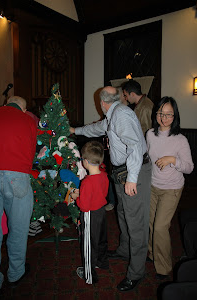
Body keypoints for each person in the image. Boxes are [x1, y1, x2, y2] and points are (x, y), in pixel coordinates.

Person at [70, 86, 152, 292]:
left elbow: (134, 145)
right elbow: (97, 128)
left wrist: (132, 178)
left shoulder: (121, 115)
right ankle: (125, 250)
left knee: (136, 223)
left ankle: (136, 273)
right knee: (123, 215)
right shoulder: (114, 114)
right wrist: (75, 131)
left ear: (102, 103)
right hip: (122, 172)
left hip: (134, 172)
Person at [146, 96, 194, 280]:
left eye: (169, 115)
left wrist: (172, 160)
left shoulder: (180, 140)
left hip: (172, 188)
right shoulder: (150, 134)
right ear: (156, 114)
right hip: (153, 185)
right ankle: (152, 254)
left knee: (160, 227)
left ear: (175, 117)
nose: (164, 118)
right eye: (161, 113)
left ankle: (164, 267)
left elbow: (189, 167)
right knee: (151, 223)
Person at [0, 96, 37, 293]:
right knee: (18, 229)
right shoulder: (28, 119)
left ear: (5, 105)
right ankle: (15, 274)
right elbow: (31, 150)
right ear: (23, 109)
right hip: (17, 175)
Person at [71, 140, 109, 284]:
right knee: (100, 239)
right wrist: (83, 194)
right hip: (101, 212)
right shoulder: (104, 175)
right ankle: (102, 262)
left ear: (85, 162)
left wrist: (76, 197)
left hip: (90, 214)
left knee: (89, 243)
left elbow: (84, 206)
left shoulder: (86, 181)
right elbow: (101, 193)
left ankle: (89, 275)